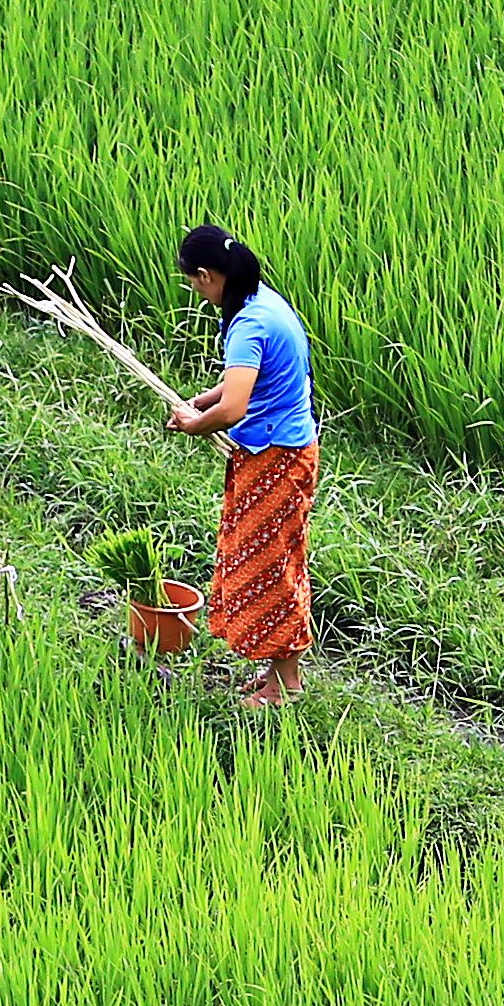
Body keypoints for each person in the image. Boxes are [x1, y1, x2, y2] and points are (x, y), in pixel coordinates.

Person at [165, 223, 314, 707]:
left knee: (272, 566)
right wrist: (199, 403)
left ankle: (285, 687)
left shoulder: (249, 324)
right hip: (279, 451)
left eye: (194, 283)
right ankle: (277, 676)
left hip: (276, 458)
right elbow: (237, 390)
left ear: (207, 275)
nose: (197, 293)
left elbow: (233, 410)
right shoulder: (265, 302)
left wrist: (195, 424)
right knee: (271, 558)